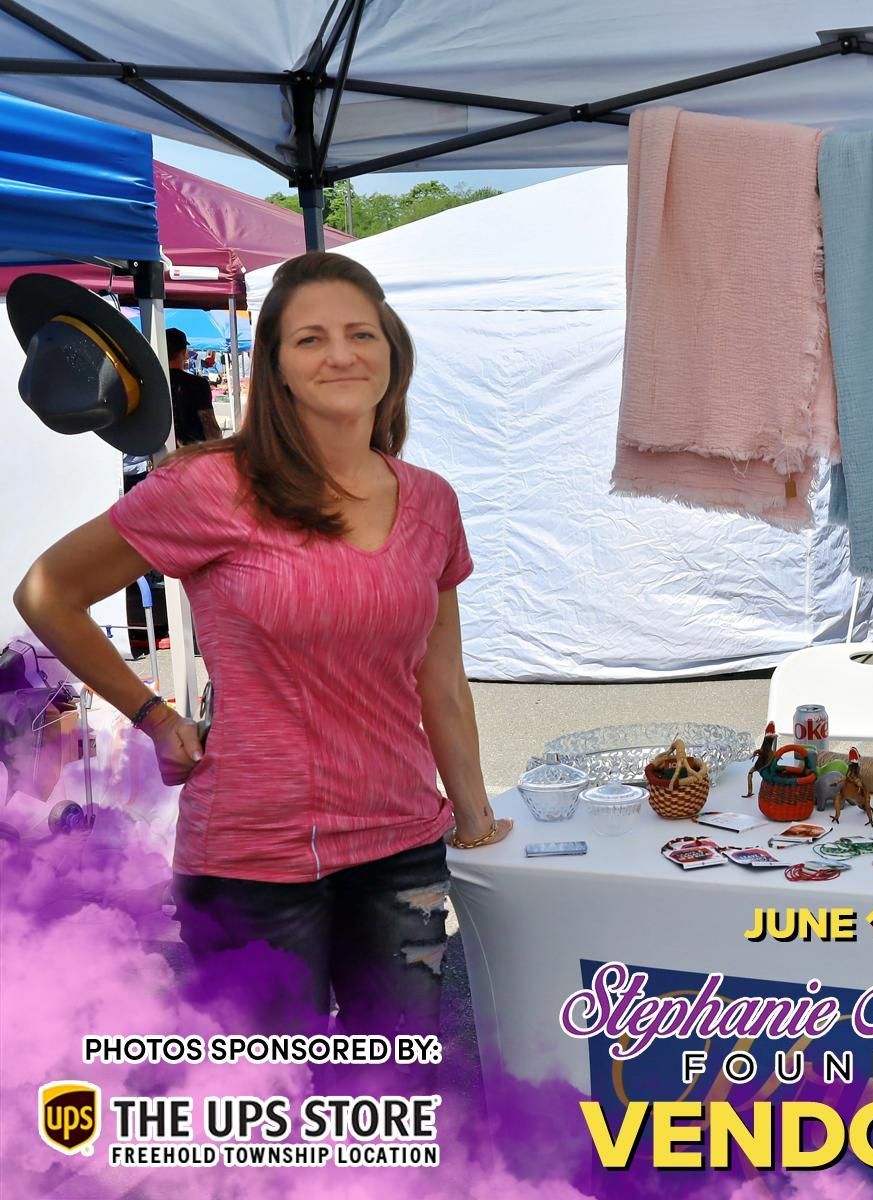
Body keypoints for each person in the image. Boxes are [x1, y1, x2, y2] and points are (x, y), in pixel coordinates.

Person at [13, 252, 511, 1040]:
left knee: (400, 1079)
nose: (341, 354)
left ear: (393, 350)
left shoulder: (431, 502)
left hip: (401, 848)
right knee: (269, 1095)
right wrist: (153, 716)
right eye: (311, 338)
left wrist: (476, 822)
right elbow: (47, 592)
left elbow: (443, 683)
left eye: (361, 333)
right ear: (274, 366)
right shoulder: (210, 486)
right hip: (251, 862)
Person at [166, 327, 223, 445]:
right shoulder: (198, 384)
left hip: (161, 451)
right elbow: (210, 427)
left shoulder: (155, 383)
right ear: (184, 352)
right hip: (193, 450)